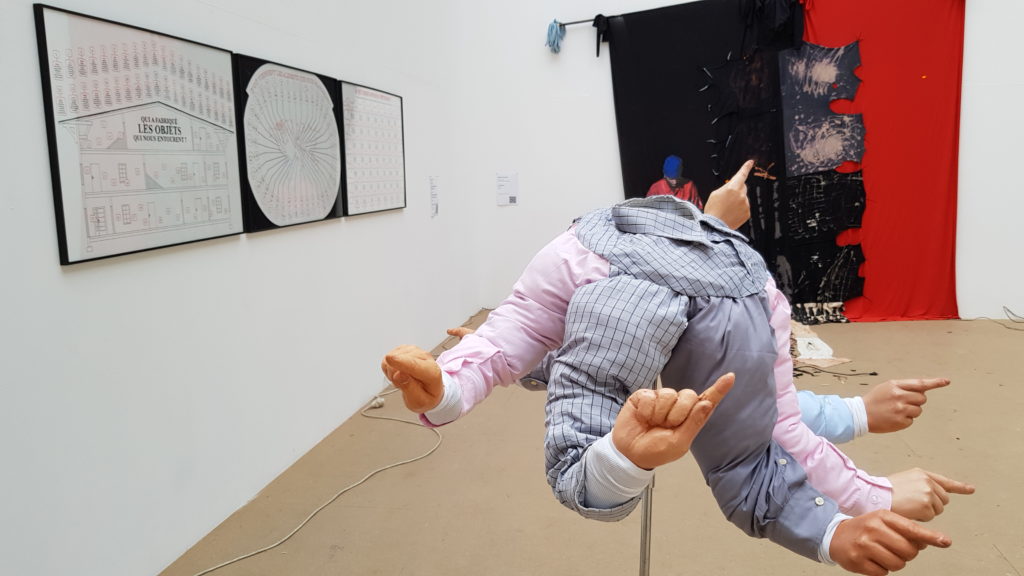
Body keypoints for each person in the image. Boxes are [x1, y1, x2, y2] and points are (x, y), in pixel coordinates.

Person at [382, 161, 972, 574]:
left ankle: (463, 397)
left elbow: (525, 329)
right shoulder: (747, 287)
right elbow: (768, 431)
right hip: (715, 295)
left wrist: (858, 413)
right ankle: (609, 457)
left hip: (587, 249)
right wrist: (861, 506)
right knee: (735, 445)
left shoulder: (588, 246)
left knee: (532, 356)